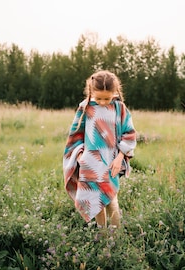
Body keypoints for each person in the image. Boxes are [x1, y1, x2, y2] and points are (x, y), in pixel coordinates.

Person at [63, 70, 136, 229]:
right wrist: (80, 155)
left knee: (111, 201)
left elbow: (129, 134)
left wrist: (120, 158)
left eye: (107, 98)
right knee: (95, 202)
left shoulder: (119, 108)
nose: (103, 102)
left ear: (115, 92)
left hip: (111, 162)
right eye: (99, 98)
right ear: (91, 92)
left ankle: (116, 237)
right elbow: (76, 134)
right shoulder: (85, 107)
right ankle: (102, 236)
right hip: (90, 163)